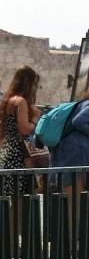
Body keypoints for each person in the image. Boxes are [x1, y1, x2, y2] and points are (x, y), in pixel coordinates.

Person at [1, 66, 41, 197]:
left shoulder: (7, 100)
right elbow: (24, 129)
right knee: (20, 198)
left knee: (8, 197)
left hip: (6, 150)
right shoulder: (21, 102)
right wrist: (35, 118)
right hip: (19, 154)